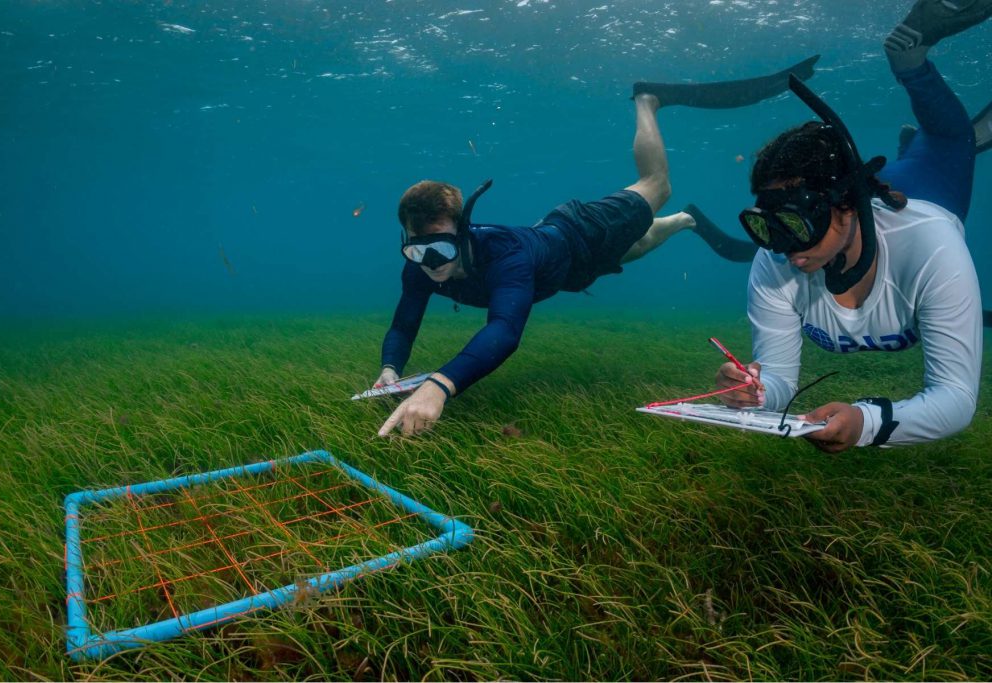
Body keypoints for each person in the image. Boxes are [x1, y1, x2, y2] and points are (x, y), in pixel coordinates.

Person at [374, 58, 822, 437]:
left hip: (582, 230)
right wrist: (391, 369)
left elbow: (505, 330)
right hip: (568, 271)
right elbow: (404, 322)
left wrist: (439, 385)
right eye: (418, 252)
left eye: (440, 250)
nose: (430, 265)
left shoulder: (505, 255)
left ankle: (647, 100)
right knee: (637, 245)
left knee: (657, 185)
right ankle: (686, 220)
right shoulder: (419, 266)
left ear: (463, 233)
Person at [715, 0, 991, 452]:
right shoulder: (775, 260)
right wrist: (755, 391)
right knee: (920, 154)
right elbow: (778, 379)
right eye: (770, 225)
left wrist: (865, 422)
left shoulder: (933, 246)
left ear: (846, 206)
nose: (784, 247)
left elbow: (956, 399)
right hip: (870, 194)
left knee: (953, 141)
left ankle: (910, 61)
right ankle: (910, 147)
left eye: (797, 223)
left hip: (929, 192)